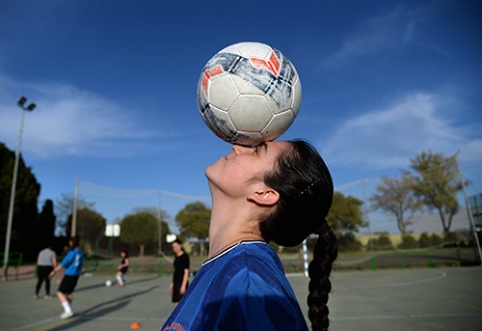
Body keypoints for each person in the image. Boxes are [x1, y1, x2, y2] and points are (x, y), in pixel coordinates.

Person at [161, 140, 338, 331]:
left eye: (256, 151)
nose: (237, 147)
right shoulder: (237, 270)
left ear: (263, 193)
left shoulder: (247, 285)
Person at [49, 237, 84, 320]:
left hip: (70, 274)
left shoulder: (72, 253)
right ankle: (69, 309)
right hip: (76, 274)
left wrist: (53, 272)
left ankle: (68, 310)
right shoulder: (81, 252)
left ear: (72, 243)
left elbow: (63, 263)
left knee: (59, 292)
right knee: (69, 293)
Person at [168, 239, 190, 304]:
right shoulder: (176, 257)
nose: (175, 249)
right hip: (176, 282)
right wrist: (172, 285)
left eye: (176, 246)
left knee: (182, 304)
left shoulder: (185, 257)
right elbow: (176, 271)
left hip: (182, 282)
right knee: (176, 303)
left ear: (180, 246)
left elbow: (186, 272)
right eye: (173, 247)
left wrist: (183, 286)